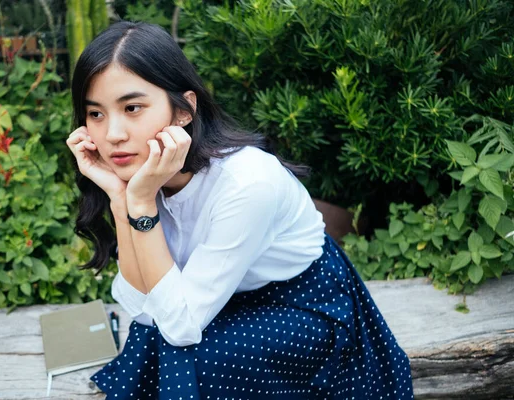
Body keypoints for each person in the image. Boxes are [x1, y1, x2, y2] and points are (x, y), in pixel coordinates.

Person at [66, 20, 414, 400]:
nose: (112, 134)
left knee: (189, 358)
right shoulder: (147, 177)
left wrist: (141, 204)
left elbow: (177, 325)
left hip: (304, 303)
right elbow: (143, 311)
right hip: (226, 297)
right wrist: (121, 201)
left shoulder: (247, 183)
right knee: (156, 344)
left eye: (132, 108)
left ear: (183, 111)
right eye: (96, 114)